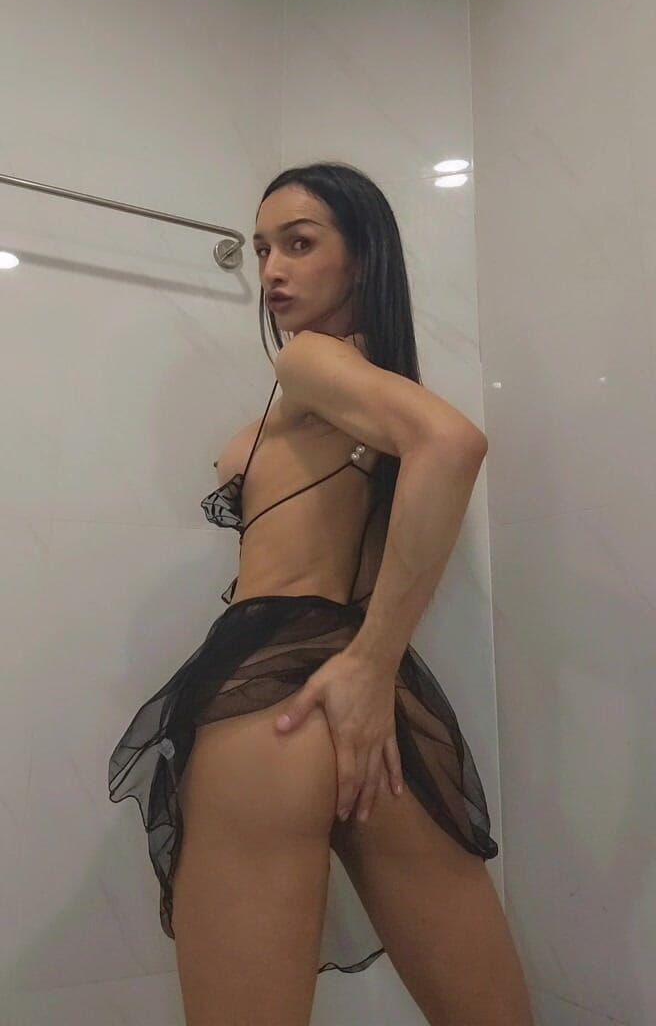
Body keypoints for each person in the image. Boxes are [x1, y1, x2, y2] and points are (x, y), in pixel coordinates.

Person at [108, 161, 534, 1026]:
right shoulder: (369, 384)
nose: (272, 270)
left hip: (272, 692)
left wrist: (372, 661)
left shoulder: (309, 361)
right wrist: (372, 665)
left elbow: (452, 445)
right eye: (264, 249)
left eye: (299, 245)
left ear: (363, 259)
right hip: (368, 709)